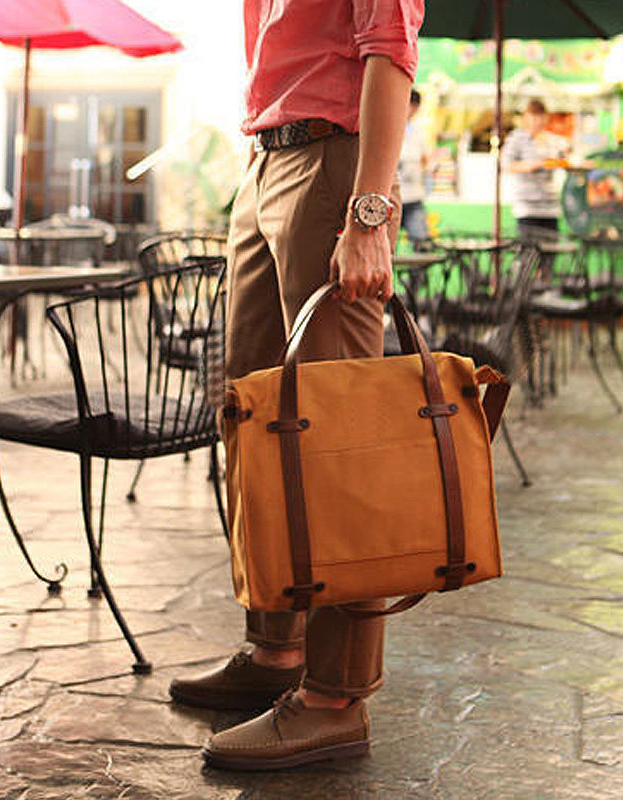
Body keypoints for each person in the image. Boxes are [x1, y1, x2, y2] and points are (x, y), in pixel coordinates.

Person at [168, 0, 425, 772]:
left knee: (338, 441)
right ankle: (275, 648)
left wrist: (370, 212)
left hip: (334, 162)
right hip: (264, 160)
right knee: (251, 421)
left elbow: (390, 51)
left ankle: (336, 697)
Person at [502, 99, 568, 241]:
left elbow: (565, 161)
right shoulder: (517, 138)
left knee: (550, 250)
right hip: (527, 207)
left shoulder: (553, 140)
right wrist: (532, 165)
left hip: (550, 207)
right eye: (534, 117)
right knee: (529, 250)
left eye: (541, 117)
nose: (538, 122)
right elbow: (506, 165)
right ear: (526, 117)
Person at [398, 87, 431, 250]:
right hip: (391, 198)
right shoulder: (388, 126)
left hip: (414, 197)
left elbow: (425, 159)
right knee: (386, 248)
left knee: (421, 244)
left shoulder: (418, 131)